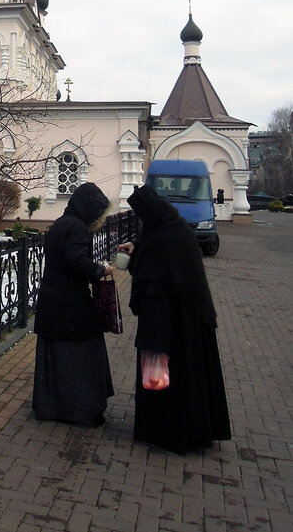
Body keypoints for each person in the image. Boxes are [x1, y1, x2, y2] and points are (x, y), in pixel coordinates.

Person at [119, 184, 231, 454]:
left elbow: (153, 276)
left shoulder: (166, 238)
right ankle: (189, 428)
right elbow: (157, 259)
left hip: (173, 324)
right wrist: (137, 247)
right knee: (185, 376)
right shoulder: (173, 229)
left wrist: (135, 259)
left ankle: (169, 432)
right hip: (187, 320)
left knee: (172, 378)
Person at [33, 182, 114, 426]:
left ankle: (51, 406)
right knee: (83, 352)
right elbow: (75, 260)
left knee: (56, 354)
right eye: (99, 214)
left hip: (52, 301)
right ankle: (81, 409)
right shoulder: (78, 228)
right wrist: (100, 270)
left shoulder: (60, 223)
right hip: (71, 305)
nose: (100, 219)